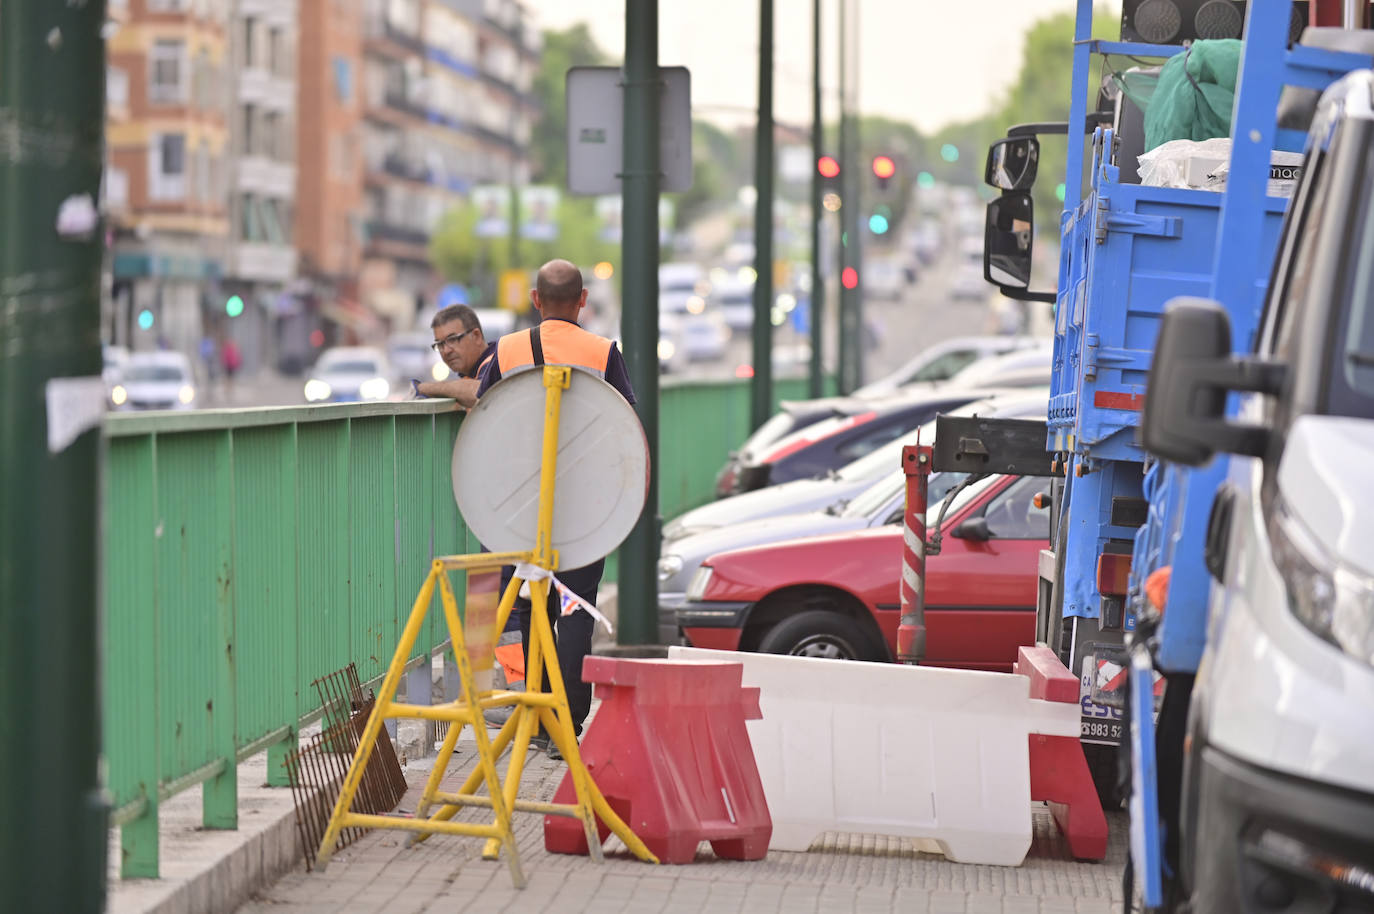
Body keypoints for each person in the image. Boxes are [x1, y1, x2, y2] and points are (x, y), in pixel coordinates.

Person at [476, 259, 637, 759]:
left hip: (518, 506)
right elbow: (625, 423)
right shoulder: (603, 352)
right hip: (584, 508)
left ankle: (535, 715)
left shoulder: (506, 351)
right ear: (583, 300)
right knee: (575, 612)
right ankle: (565, 726)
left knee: (528, 606)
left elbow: (485, 422)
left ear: (535, 299)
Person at [414, 304, 494, 408]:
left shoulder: (496, 362)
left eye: (452, 339)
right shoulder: (470, 374)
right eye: (440, 344)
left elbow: (481, 393)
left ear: (476, 336)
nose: (446, 351)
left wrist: (422, 389)